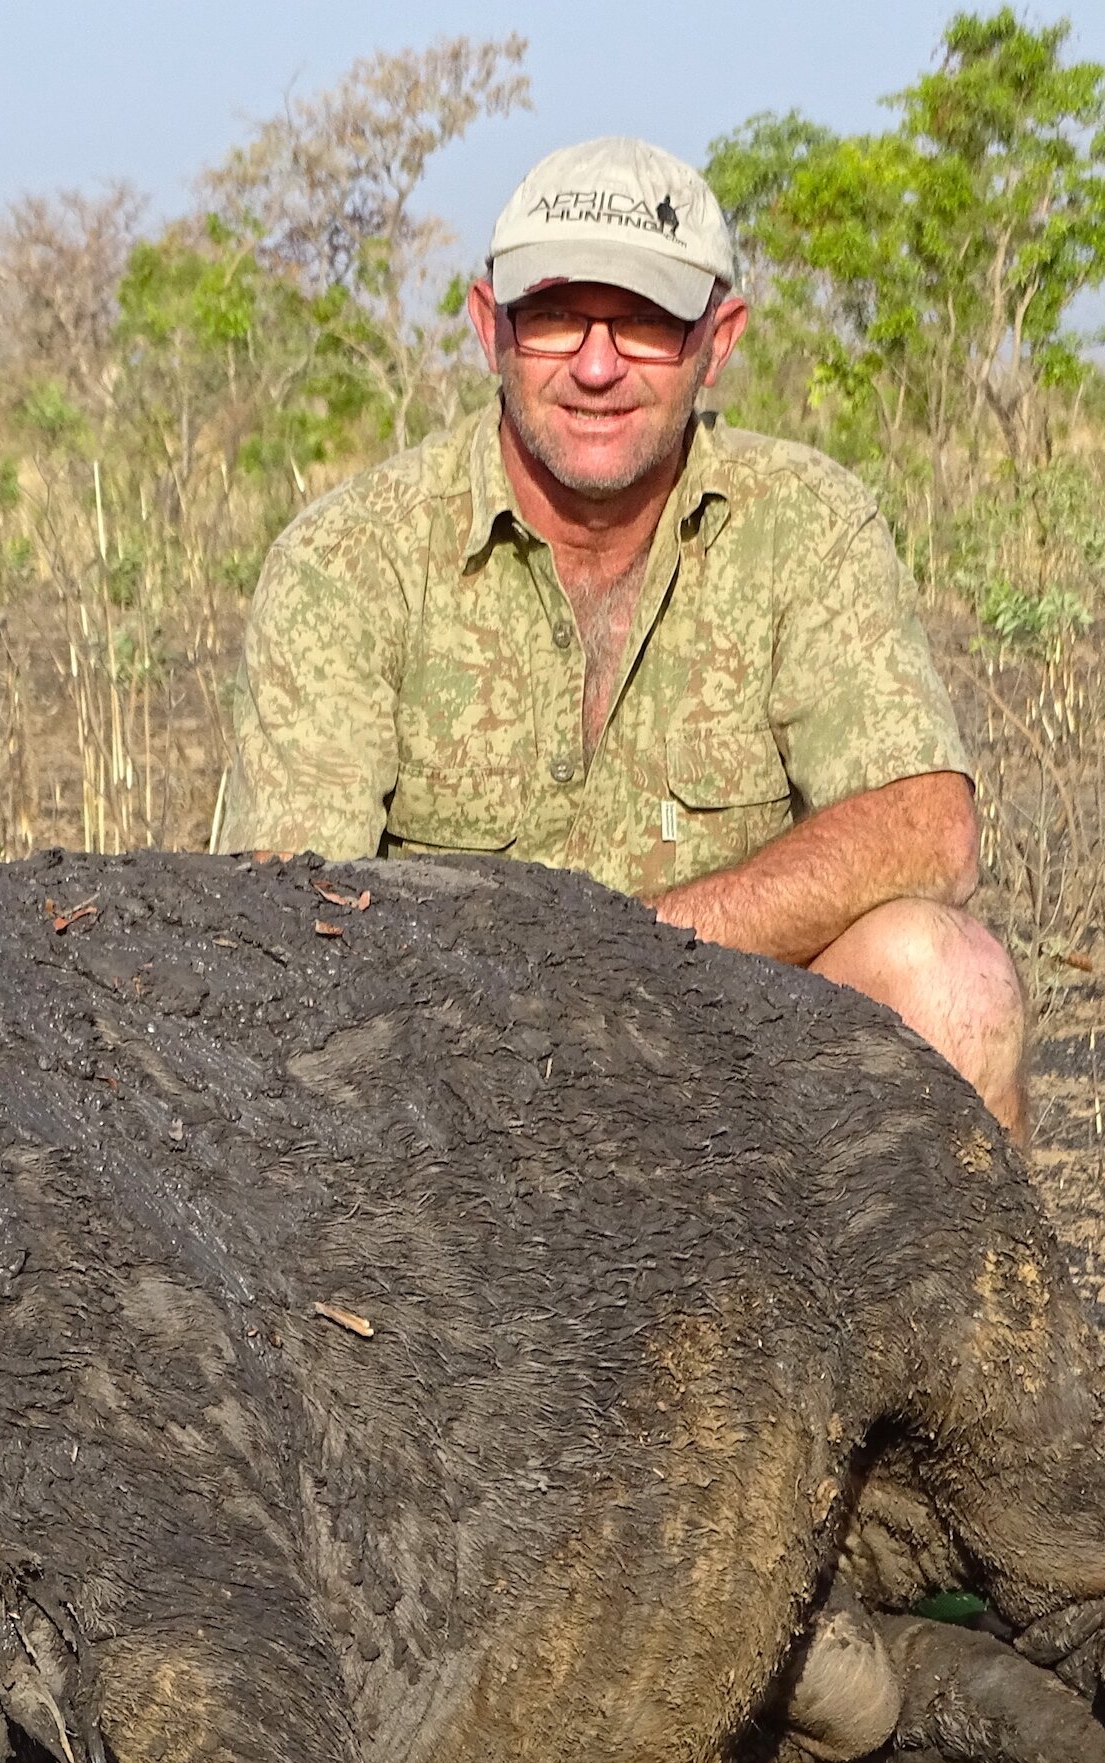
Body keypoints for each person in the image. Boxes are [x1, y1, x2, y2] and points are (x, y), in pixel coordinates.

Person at [211, 137, 1026, 1138]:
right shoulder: (348, 558)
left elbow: (927, 826)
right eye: (554, 319)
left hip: (731, 1061)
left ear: (716, 340)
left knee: (957, 982)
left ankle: (955, 1301)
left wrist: (615, 958)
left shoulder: (807, 521)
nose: (597, 367)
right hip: (447, 1087)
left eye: (644, 323)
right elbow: (285, 932)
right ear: (488, 327)